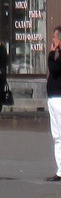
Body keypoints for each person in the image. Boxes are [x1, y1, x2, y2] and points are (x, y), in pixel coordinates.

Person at [46, 27, 61, 181]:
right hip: (54, 98)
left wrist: (51, 53)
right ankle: (60, 170)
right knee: (57, 135)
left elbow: (54, 69)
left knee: (59, 135)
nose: (53, 40)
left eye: (55, 37)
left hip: (58, 99)